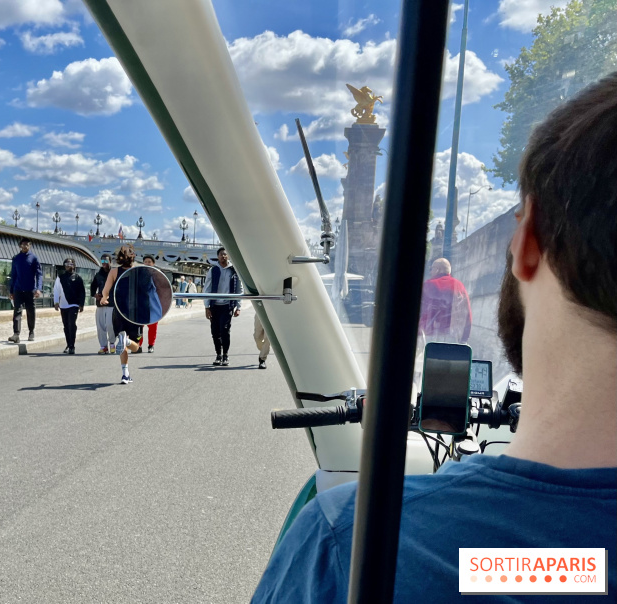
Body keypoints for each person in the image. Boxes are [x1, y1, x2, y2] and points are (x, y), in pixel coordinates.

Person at [252, 74, 617, 602]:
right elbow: (580, 571)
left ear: (526, 239)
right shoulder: (577, 565)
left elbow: (538, 570)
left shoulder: (354, 545)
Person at [100, 245, 141, 384]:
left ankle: (125, 374)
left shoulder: (114, 271)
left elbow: (105, 291)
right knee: (136, 347)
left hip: (117, 311)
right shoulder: (138, 271)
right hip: (134, 313)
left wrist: (104, 298)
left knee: (122, 341)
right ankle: (127, 341)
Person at [418, 257, 472, 343]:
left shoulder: (429, 285)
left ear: (437, 270)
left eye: (432, 269)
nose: (430, 272)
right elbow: (467, 314)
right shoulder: (459, 286)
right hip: (453, 337)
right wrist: (464, 339)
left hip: (429, 337)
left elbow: (420, 311)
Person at [204, 247, 243, 366]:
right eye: (221, 254)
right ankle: (218, 355)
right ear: (218, 256)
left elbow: (239, 288)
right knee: (215, 332)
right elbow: (207, 288)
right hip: (214, 306)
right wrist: (207, 307)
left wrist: (238, 306)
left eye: (225, 254)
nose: (223, 256)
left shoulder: (234, 270)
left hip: (227, 306)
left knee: (224, 330)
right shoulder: (213, 270)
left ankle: (225, 355)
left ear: (228, 256)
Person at [8, 238, 42, 343]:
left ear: (30, 246)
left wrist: (38, 288)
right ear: (20, 246)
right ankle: (16, 334)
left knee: (30, 312)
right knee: (17, 311)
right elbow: (13, 275)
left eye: (27, 244)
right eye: (23, 244)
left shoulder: (34, 258)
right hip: (18, 289)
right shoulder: (16, 258)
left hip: (30, 290)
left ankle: (31, 331)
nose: (25, 246)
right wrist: (11, 291)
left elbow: (39, 274)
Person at [53, 258, 85, 354]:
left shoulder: (78, 277)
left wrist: (81, 304)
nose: (68, 265)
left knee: (72, 324)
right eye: (66, 264)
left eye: (70, 264)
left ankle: (72, 346)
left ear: (74, 265)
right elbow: (56, 290)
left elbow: (82, 292)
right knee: (66, 326)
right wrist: (56, 302)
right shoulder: (60, 277)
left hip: (74, 304)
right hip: (63, 305)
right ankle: (68, 344)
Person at [90, 253, 116, 354]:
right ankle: (103, 346)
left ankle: (112, 343)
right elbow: (92, 287)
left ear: (110, 262)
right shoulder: (98, 274)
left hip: (112, 303)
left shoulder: (114, 273)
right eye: (102, 261)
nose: (104, 263)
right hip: (100, 303)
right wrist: (95, 295)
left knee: (110, 324)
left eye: (106, 261)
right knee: (100, 326)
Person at [142, 254, 159, 353]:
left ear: (153, 263)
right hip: (141, 304)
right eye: (145, 262)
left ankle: (151, 345)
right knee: (139, 325)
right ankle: (138, 345)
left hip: (153, 304)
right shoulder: (139, 273)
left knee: (153, 326)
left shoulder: (157, 275)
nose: (147, 263)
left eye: (149, 262)